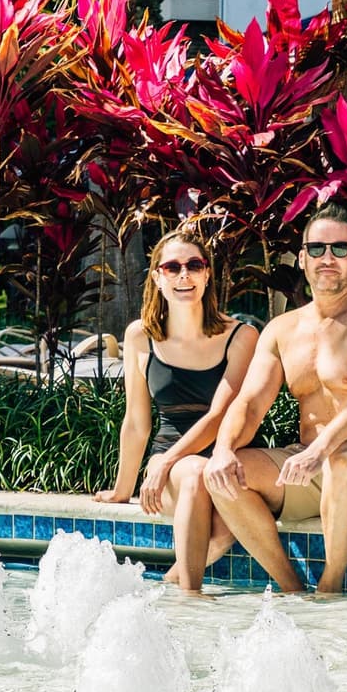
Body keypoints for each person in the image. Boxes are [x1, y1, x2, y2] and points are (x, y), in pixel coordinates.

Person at [204, 201, 347, 595]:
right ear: (302, 258)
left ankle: (330, 588)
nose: (328, 258)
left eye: (340, 249)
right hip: (312, 464)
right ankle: (292, 590)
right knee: (222, 475)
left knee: (345, 455)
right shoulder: (283, 329)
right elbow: (250, 403)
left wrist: (321, 448)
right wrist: (223, 450)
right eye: (317, 249)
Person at [96, 230, 260, 589]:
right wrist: (124, 489)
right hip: (170, 463)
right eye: (172, 267)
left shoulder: (241, 336)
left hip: (227, 457)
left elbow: (220, 415)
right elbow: (137, 422)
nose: (183, 275)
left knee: (222, 528)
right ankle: (191, 597)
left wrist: (169, 460)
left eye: (193, 265)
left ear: (207, 275)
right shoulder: (141, 336)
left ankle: (168, 591)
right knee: (195, 474)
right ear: (157, 277)